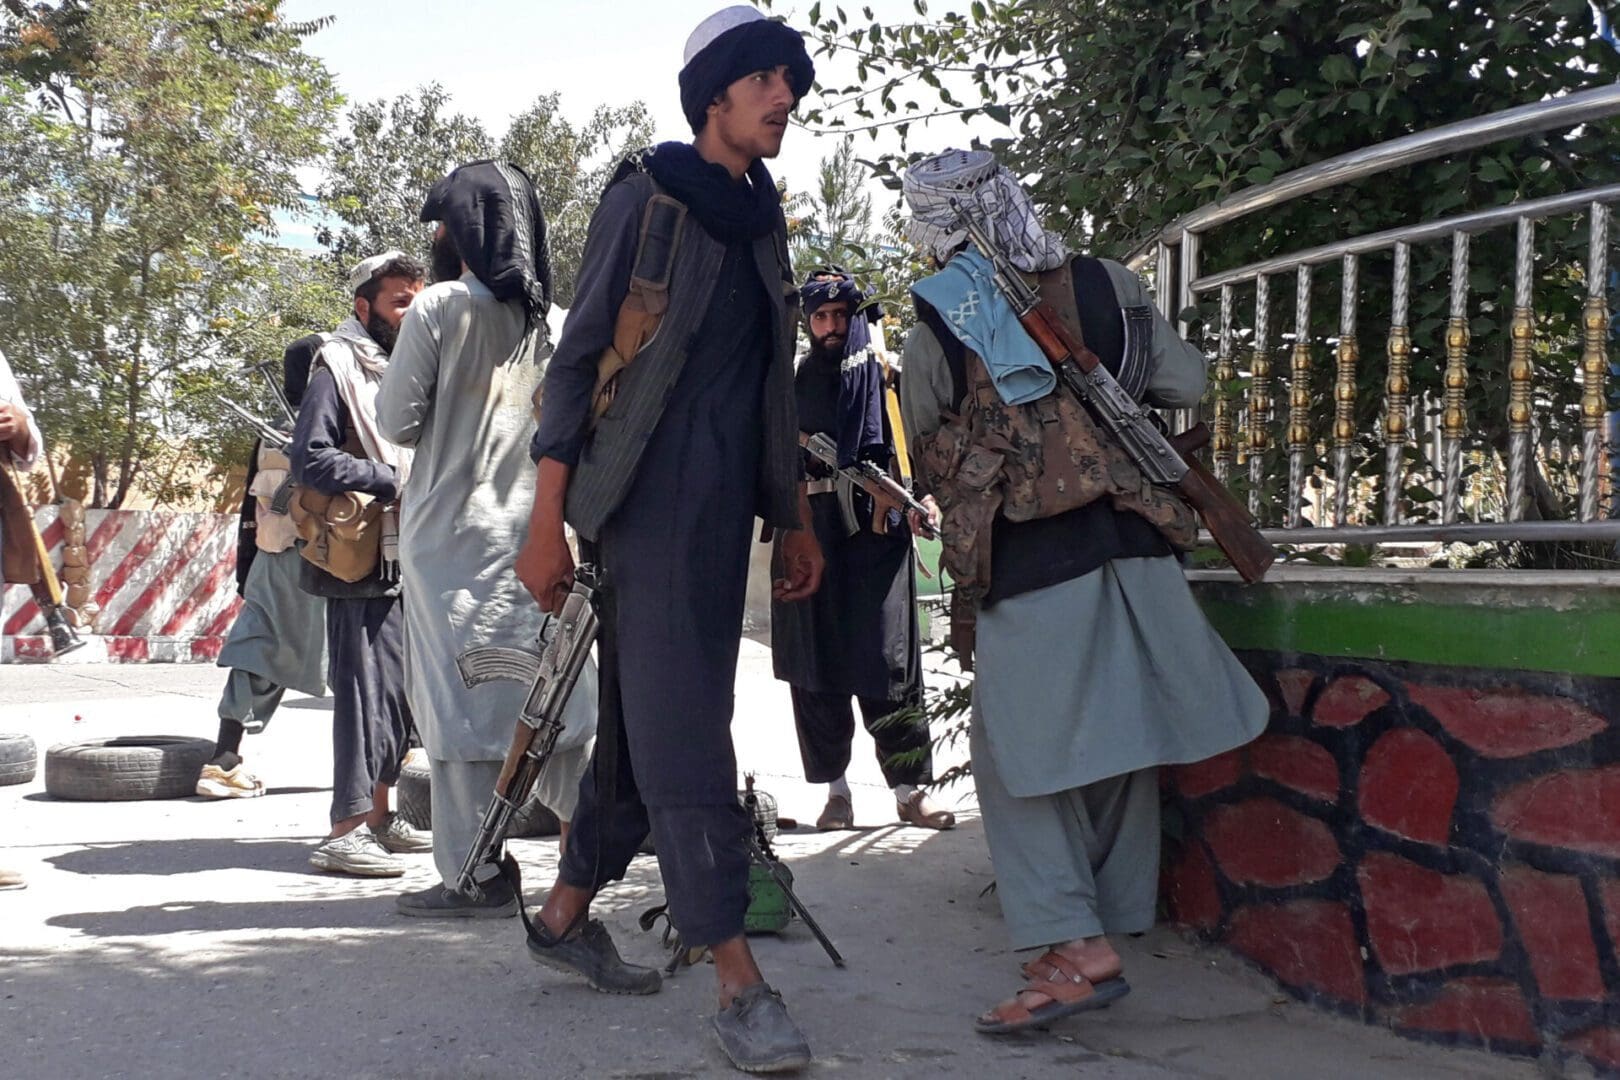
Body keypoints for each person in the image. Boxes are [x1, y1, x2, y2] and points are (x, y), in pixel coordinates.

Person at [515, 7, 825, 1072]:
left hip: (720, 510)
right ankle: (738, 979)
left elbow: (766, 392)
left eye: (793, 81)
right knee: (690, 730)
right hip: (644, 502)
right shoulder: (646, 201)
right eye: (768, 80)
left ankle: (562, 914)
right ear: (718, 95)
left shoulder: (760, 217)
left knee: (652, 722)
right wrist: (545, 521)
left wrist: (792, 515)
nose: (787, 98)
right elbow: (576, 364)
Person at [898, 149, 1268, 1035]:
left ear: (939, 220)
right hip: (1140, 551)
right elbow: (1188, 380)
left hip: (1034, 567)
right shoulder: (1108, 282)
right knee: (1116, 741)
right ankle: (1104, 923)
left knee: (1013, 760)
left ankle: (1072, 950)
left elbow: (924, 429)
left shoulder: (942, 313)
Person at [378, 160, 597, 918]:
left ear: (464, 231)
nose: (438, 238)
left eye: (444, 224)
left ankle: (476, 877)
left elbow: (395, 423)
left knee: (460, 706)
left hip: (451, 549)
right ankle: (586, 859)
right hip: (544, 541)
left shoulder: (438, 308)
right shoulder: (563, 323)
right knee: (561, 696)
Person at [771, 269, 953, 832]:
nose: (830, 327)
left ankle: (908, 790)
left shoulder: (885, 381)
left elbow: (919, 446)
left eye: (839, 316)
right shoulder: (791, 384)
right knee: (816, 667)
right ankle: (837, 794)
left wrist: (926, 497)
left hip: (879, 538)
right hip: (810, 531)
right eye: (820, 317)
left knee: (889, 663)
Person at [290, 252, 430, 877]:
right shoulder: (336, 365)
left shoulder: (401, 369)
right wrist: (391, 476)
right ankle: (346, 827)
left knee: (396, 695)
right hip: (357, 552)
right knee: (362, 691)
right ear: (363, 307)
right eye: (399, 301)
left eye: (415, 299)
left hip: (404, 548)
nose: (410, 312)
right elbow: (310, 461)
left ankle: (379, 816)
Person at [196, 334, 329, 798]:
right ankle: (399, 757)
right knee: (381, 654)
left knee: (258, 651)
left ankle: (223, 760)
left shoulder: (278, 427)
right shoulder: (336, 420)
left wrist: (245, 571)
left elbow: (246, 512)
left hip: (275, 562)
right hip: (334, 559)